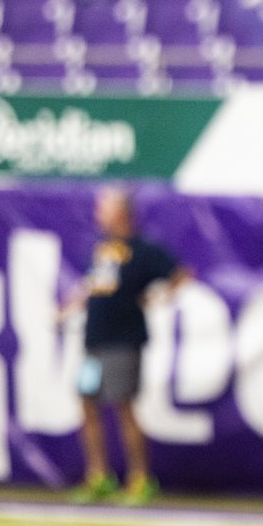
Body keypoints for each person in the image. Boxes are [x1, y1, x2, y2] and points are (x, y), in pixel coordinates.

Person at [63, 187, 190, 506]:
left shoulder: (142, 249)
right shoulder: (102, 249)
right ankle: (98, 476)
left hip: (123, 341)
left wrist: (159, 296)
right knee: (87, 403)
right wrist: (68, 308)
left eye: (103, 207)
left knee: (124, 406)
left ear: (120, 212)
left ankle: (140, 478)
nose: (98, 213)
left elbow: (180, 274)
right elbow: (92, 287)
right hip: (94, 342)